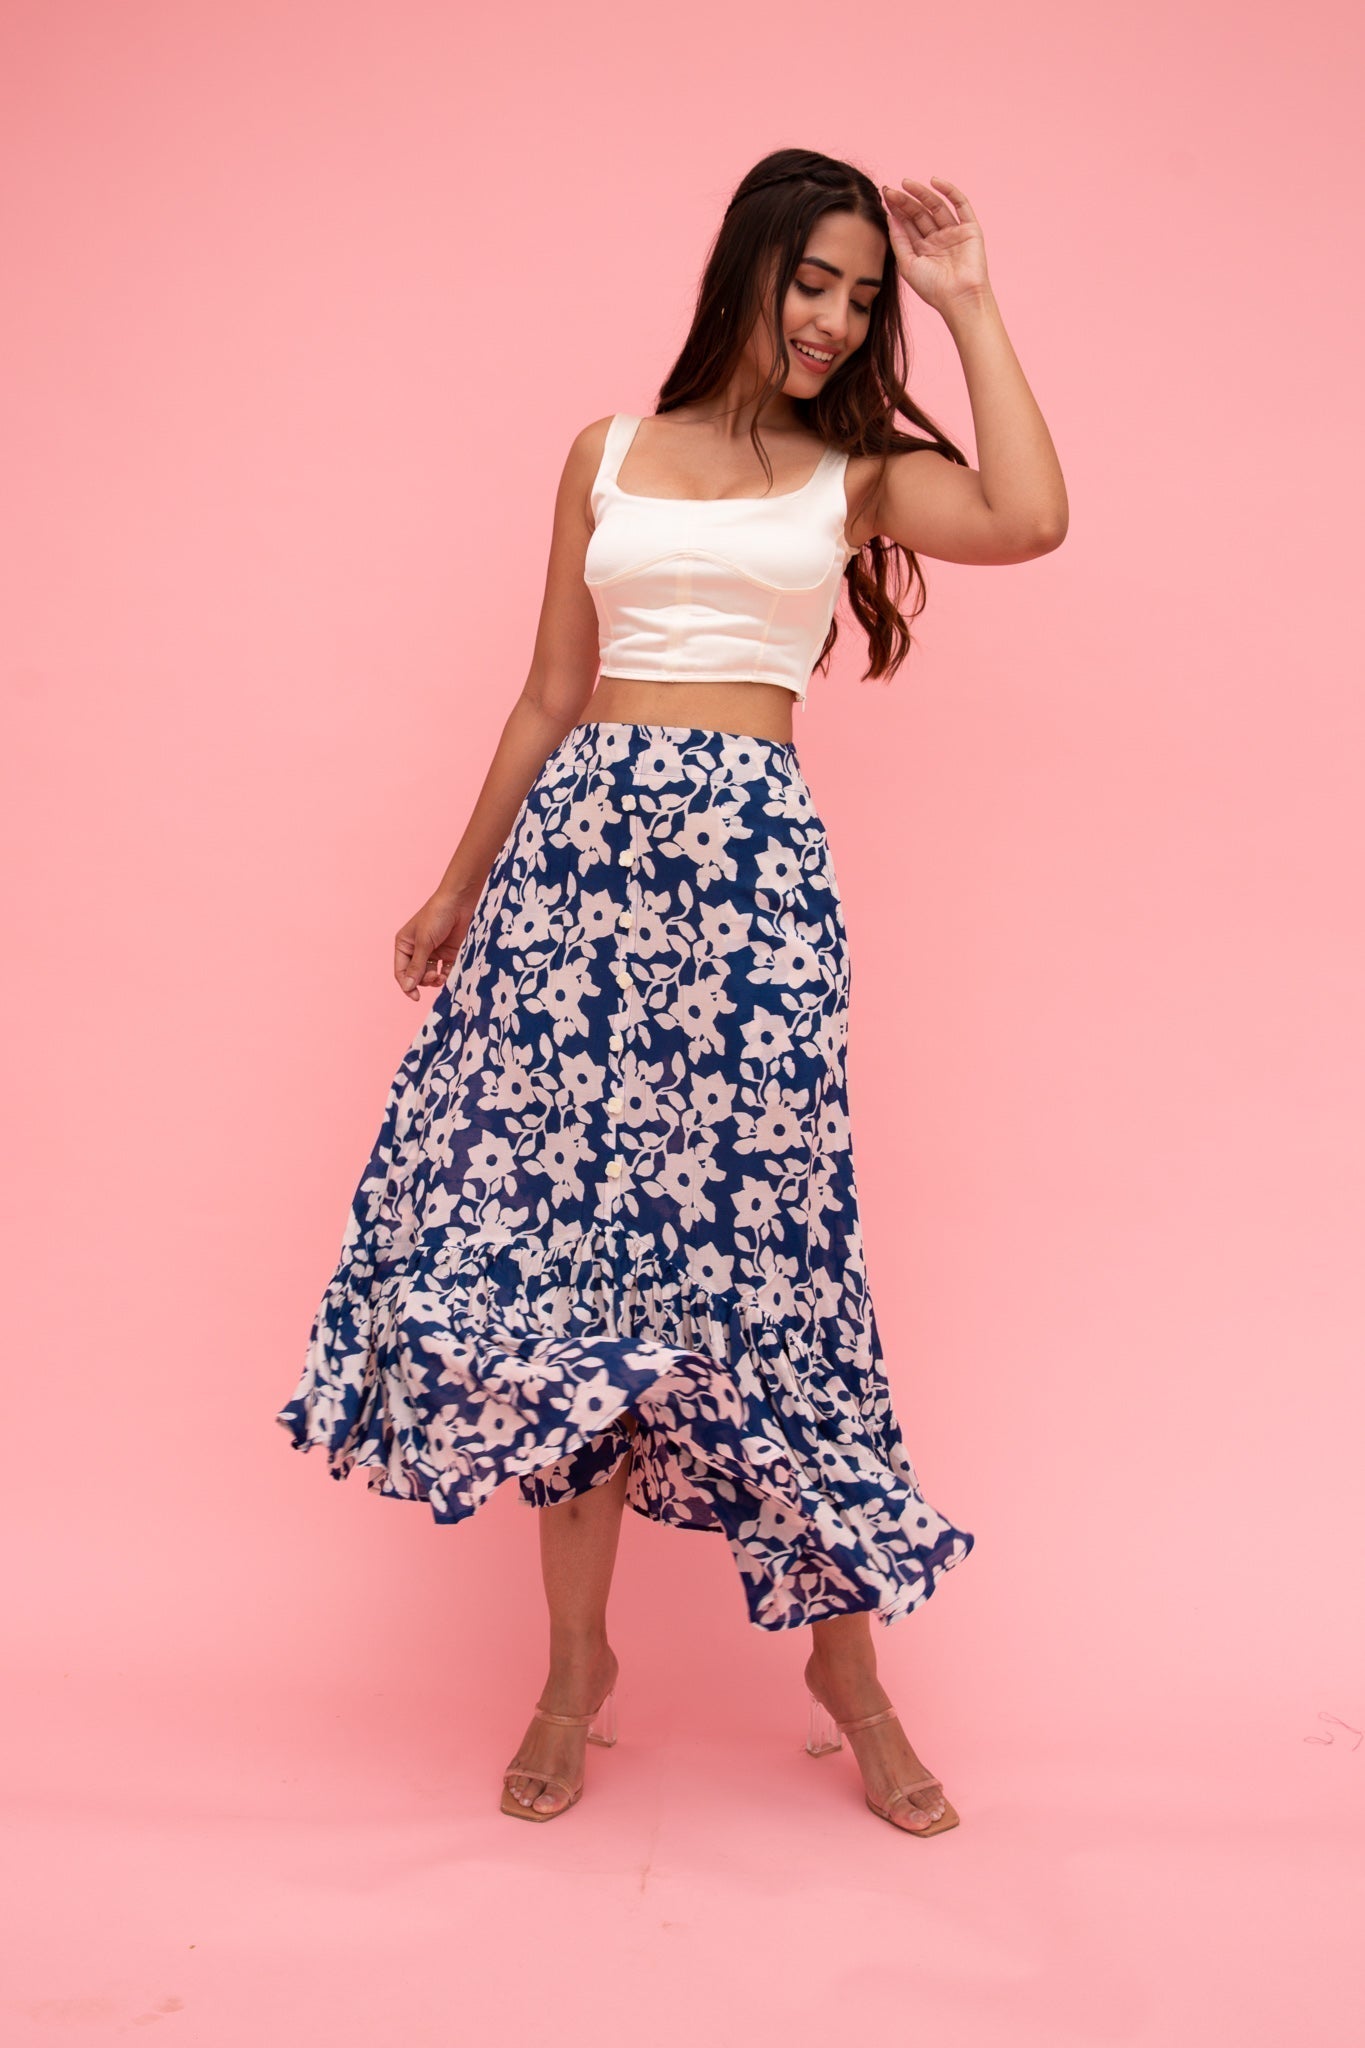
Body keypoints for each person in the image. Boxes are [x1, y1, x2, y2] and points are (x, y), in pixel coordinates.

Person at [275, 147, 1068, 1836]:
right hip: (573, 887)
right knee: (573, 1286)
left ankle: (848, 1674)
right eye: (814, 282)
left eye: (862, 296)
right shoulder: (607, 454)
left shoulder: (855, 473)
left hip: (749, 894)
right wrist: (456, 883)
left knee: (778, 1276)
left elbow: (1027, 519)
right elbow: (549, 690)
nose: (835, 318)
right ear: (748, 270)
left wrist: (967, 304)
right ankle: (576, 1670)